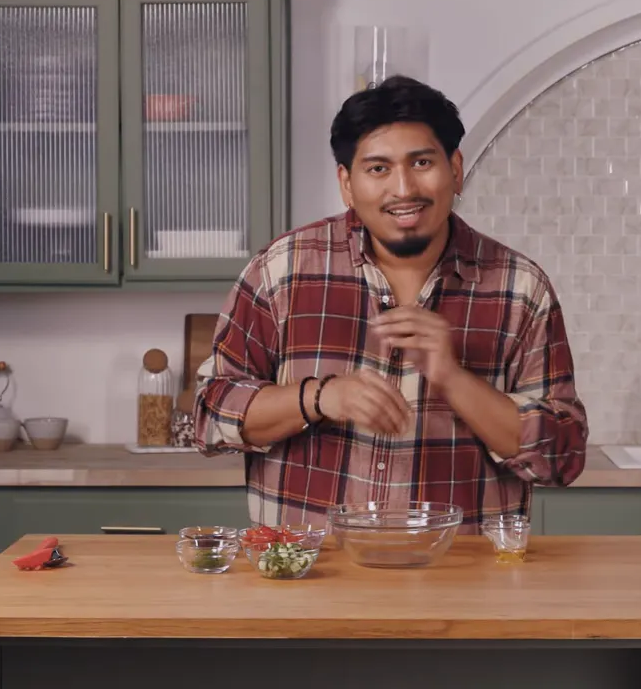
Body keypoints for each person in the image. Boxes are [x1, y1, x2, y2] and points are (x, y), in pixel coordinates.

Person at [193, 75, 588, 533]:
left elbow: (563, 456)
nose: (403, 189)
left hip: (466, 586)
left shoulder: (520, 288)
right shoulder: (283, 270)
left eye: (421, 162)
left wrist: (453, 379)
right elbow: (209, 414)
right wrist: (319, 397)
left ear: (455, 169)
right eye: (378, 168)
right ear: (347, 183)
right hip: (312, 580)